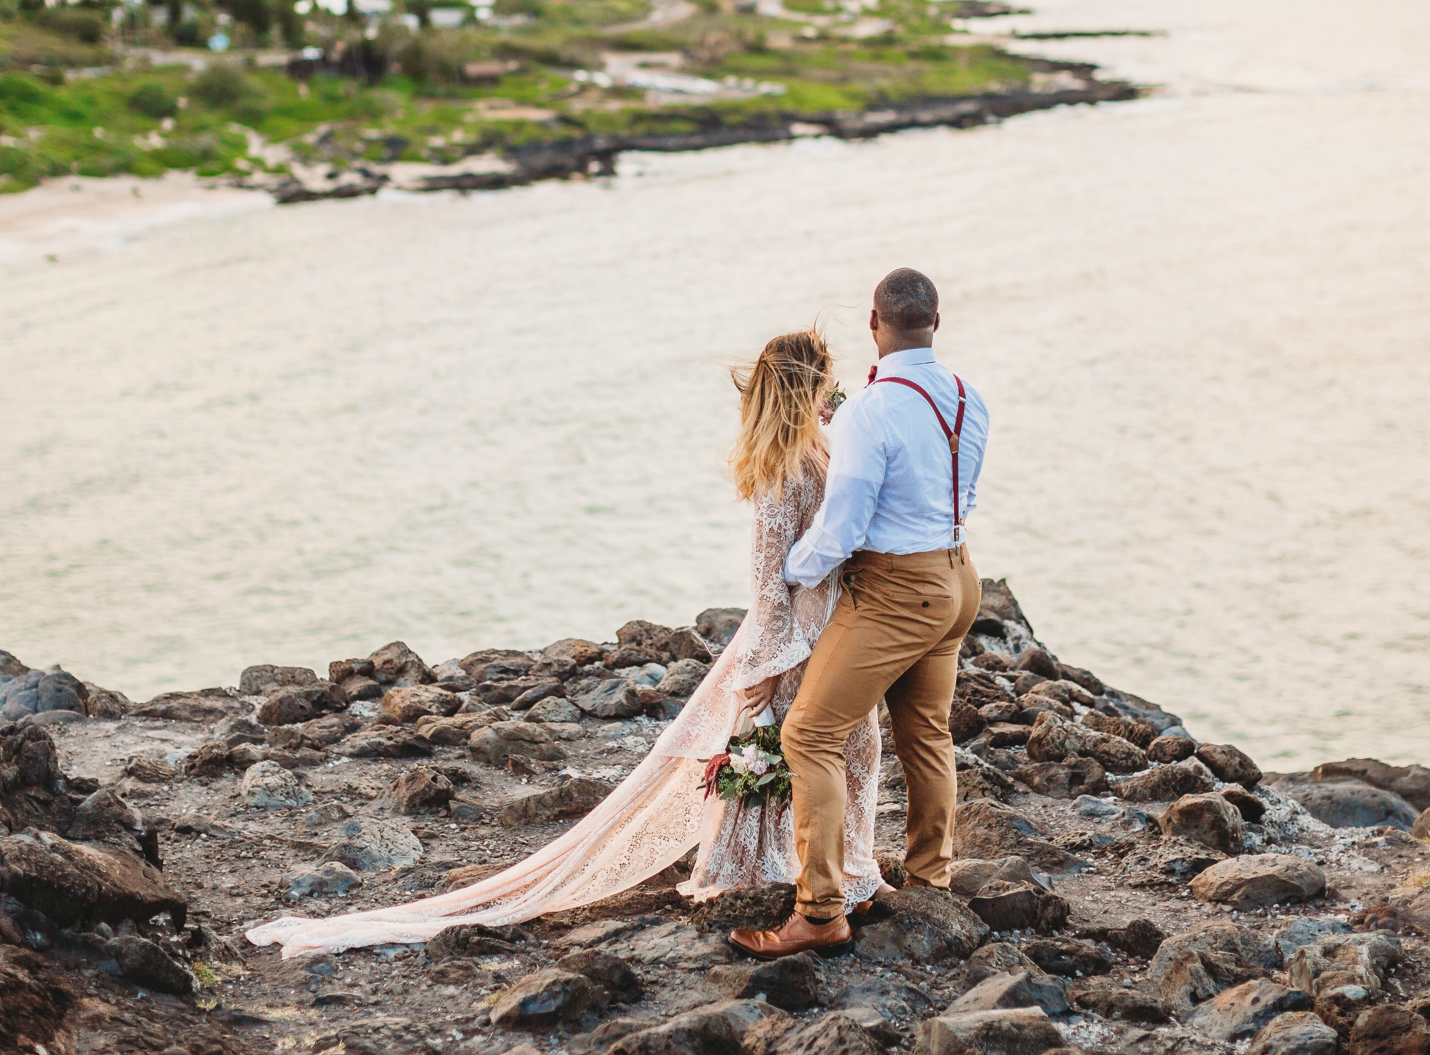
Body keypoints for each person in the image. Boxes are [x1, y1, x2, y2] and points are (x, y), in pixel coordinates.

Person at [246, 328, 886, 958]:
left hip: (830, 626)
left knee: (852, 748)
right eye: (829, 385)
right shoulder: (782, 471)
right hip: (795, 640)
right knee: (815, 754)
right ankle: (819, 882)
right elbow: (768, 585)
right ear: (805, 390)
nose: (838, 395)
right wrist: (764, 676)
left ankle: (848, 874)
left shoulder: (820, 452)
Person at [728, 267, 990, 961]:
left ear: (876, 325)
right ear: (936, 322)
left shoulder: (868, 412)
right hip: (960, 577)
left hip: (897, 591)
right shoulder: (967, 397)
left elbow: (840, 533)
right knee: (925, 733)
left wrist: (787, 573)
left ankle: (818, 912)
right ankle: (928, 880)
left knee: (809, 735)